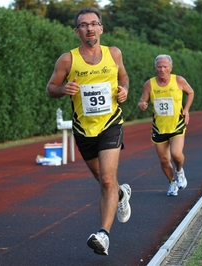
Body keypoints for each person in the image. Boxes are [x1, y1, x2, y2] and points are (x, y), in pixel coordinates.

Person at [46, 7, 131, 256]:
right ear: (77, 31)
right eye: (84, 25)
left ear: (101, 28)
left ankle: (103, 235)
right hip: (84, 128)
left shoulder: (114, 54)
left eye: (94, 23)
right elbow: (51, 88)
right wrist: (63, 90)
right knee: (103, 180)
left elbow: (124, 77)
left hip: (111, 123)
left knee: (106, 180)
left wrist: (124, 90)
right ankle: (122, 193)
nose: (90, 28)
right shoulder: (67, 60)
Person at [138, 54, 194, 197]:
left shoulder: (179, 80)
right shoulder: (149, 84)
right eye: (159, 67)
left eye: (165, 66)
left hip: (176, 125)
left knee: (176, 154)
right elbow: (142, 101)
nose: (162, 69)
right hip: (159, 128)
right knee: (164, 160)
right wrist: (142, 105)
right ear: (155, 68)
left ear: (170, 68)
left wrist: (186, 110)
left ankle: (180, 171)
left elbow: (190, 92)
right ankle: (172, 182)